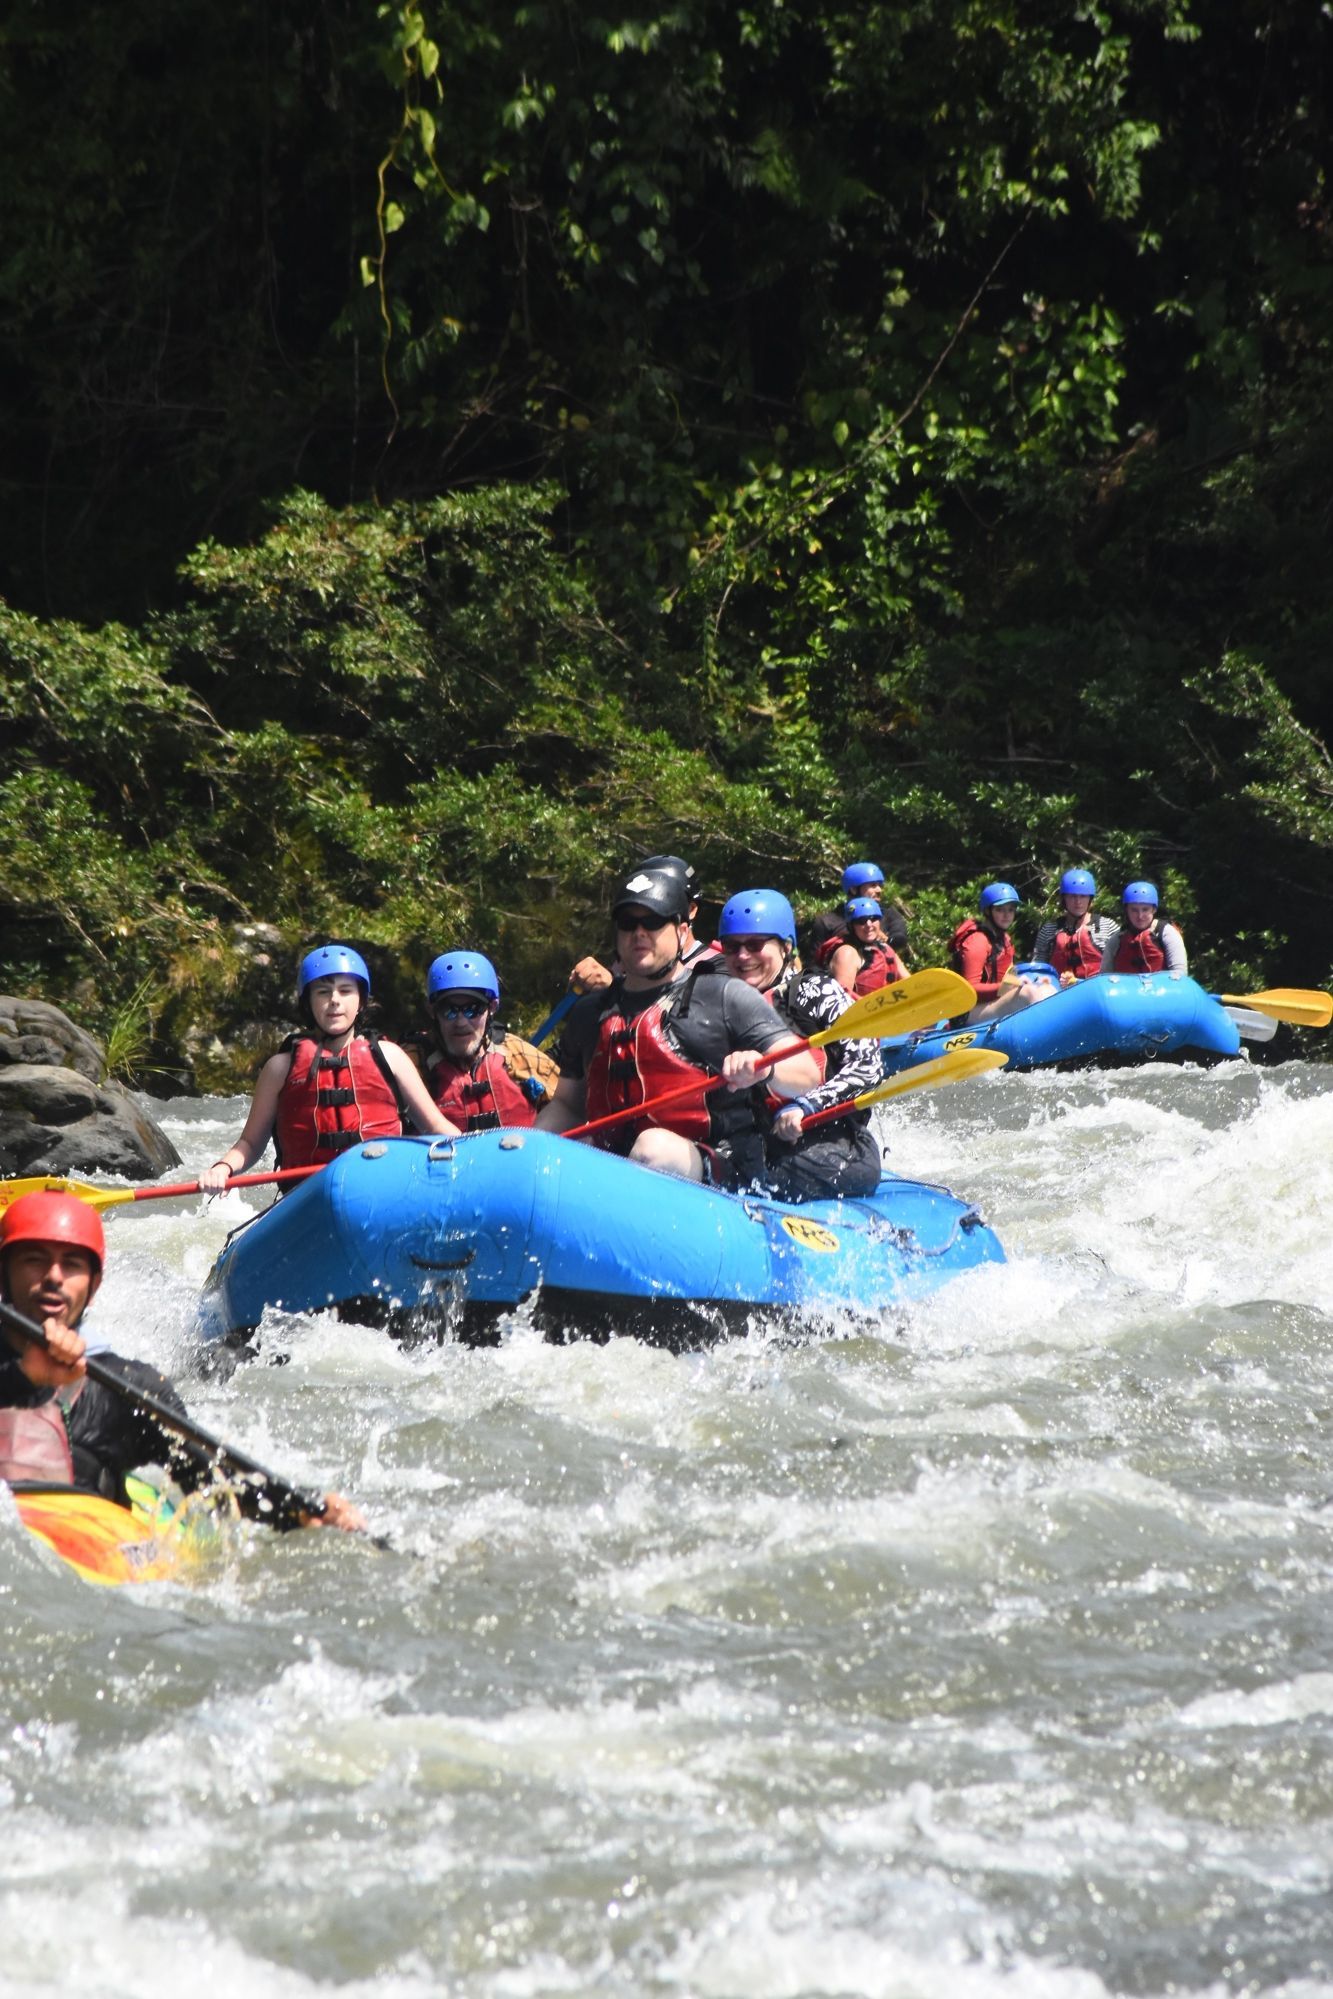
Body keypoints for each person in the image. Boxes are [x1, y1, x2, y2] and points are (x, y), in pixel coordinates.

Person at [0, 1191, 362, 1529]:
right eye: (34, 1260)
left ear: (94, 1286)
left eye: (72, 1264)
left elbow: (216, 1486)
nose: (53, 1277)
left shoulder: (127, 1387)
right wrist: (23, 1379)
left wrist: (303, 1510)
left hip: (80, 1550)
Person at [538, 862, 821, 1186]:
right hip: (618, 1168)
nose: (639, 933)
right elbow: (567, 1105)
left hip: (719, 1170)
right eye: (628, 923)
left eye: (655, 921)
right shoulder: (590, 1012)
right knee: (575, 1149)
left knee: (652, 1149)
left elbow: (807, 1074)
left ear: (683, 931)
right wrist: (528, 1146)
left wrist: (764, 1069)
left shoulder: (725, 995)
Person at [199, 944, 456, 1192]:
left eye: (345, 991)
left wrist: (481, 1152)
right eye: (323, 992)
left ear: (361, 1002)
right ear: (308, 1002)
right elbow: (251, 1143)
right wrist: (223, 1167)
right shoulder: (280, 1068)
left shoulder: (390, 1057)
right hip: (308, 1194)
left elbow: (435, 1126)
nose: (334, 1000)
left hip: (384, 1188)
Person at [716, 888, 883, 1201]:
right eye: (732, 946)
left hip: (829, 1143)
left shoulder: (814, 991)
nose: (742, 956)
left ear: (786, 946)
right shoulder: (717, 1002)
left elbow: (867, 1067)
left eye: (755, 944)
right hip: (753, 1144)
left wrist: (807, 1106)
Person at [411, 950, 558, 1130]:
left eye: (472, 1009)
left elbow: (570, 1105)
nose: (461, 1022)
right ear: (433, 1011)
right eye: (449, 1010)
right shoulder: (411, 1062)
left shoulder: (518, 1054)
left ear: (491, 1008)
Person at [567, 854, 716, 995]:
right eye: (629, 921)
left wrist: (614, 988)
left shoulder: (718, 968)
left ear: (690, 910)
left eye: (655, 918)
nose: (639, 931)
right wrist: (587, 987)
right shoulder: (625, 963)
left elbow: (698, 1009)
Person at [949, 883, 1047, 1023]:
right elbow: (971, 989)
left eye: (1011, 910)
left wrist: (1031, 981)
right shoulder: (977, 941)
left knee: (1044, 987)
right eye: (1000, 910)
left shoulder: (1005, 940)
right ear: (988, 911)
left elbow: (1010, 976)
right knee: (1028, 993)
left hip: (992, 1002)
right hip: (966, 1014)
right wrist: (1007, 986)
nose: (1007, 915)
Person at [807, 862, 911, 962]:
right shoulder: (827, 922)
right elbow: (813, 963)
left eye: (879, 885)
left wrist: (885, 941)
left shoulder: (888, 914)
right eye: (873, 885)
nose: (879, 890)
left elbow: (900, 939)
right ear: (853, 889)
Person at [1033, 869, 1118, 985]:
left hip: (1098, 990)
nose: (1078, 902)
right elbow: (1037, 967)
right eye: (1072, 896)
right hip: (1059, 992)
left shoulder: (1107, 926)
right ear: (1064, 899)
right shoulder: (1050, 929)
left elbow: (1122, 964)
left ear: (1090, 899)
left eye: (1083, 896)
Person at [816, 896, 909, 997]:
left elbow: (909, 981)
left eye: (873, 919)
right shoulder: (847, 953)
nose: (869, 925)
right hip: (860, 1010)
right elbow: (841, 997)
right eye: (861, 921)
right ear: (851, 926)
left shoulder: (885, 948)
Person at [1099, 882, 1188, 975]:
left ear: (1154, 909)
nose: (1140, 916)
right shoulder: (1117, 940)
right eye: (1134, 910)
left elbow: (1180, 974)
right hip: (1128, 989)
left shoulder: (1167, 933)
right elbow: (1105, 977)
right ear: (1127, 910)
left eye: (1145, 909)